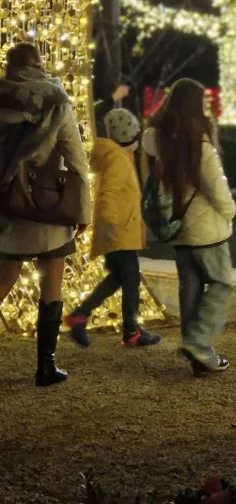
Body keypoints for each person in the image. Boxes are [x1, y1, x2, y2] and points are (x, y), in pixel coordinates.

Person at [0, 42, 91, 387]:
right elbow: (75, 155)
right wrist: (83, 209)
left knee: (4, 278)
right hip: (48, 205)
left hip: (9, 204)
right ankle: (46, 366)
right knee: (51, 281)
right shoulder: (54, 99)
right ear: (38, 64)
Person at [142, 79, 236, 372]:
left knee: (191, 288)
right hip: (206, 229)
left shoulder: (155, 141)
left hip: (178, 226)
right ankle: (197, 340)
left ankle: (199, 354)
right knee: (221, 284)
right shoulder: (200, 145)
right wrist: (230, 212)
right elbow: (216, 190)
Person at [65, 108, 161, 348]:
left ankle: (80, 314)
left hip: (119, 232)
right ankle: (132, 331)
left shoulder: (116, 158)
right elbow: (108, 194)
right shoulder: (118, 160)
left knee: (118, 279)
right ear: (130, 137)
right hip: (120, 233)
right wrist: (109, 226)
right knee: (130, 281)